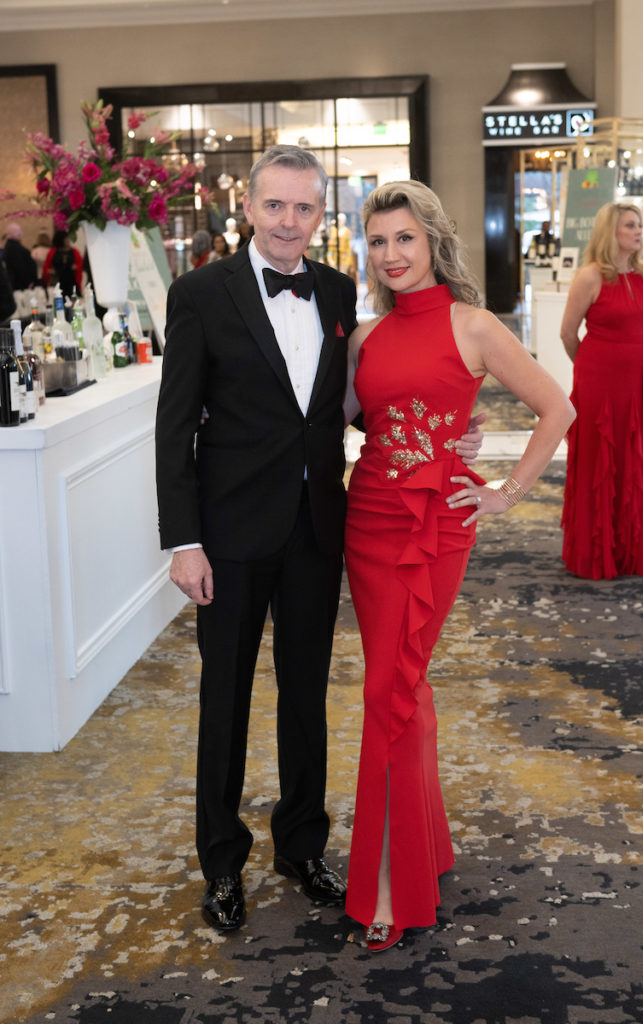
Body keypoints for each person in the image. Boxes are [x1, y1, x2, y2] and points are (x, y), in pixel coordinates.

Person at [156, 146, 483, 935]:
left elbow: (354, 403)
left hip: (317, 530)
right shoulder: (199, 293)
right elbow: (174, 430)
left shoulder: (339, 291)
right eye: (275, 206)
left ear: (319, 214)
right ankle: (223, 862)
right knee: (224, 701)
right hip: (229, 534)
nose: (288, 223)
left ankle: (300, 846)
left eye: (305, 209)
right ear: (250, 208)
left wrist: (443, 433)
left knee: (307, 695)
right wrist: (183, 541)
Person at [342, 180, 575, 952]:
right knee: (401, 686)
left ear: (433, 241)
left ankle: (387, 882)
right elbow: (346, 419)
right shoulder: (363, 336)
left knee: (389, 689)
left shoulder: (473, 326)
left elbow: (557, 407)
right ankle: (425, 848)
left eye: (404, 239)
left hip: (438, 526)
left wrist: (506, 491)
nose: (390, 255)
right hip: (368, 520)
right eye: (377, 242)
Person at [559, 202, 643, 580]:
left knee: (633, 458)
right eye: (631, 225)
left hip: (636, 378)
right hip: (599, 378)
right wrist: (589, 370)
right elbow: (568, 334)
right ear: (610, 231)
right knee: (598, 459)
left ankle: (630, 549)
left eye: (641, 226)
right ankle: (597, 552)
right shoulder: (590, 277)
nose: (640, 232)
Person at [42, 230, 83, 296]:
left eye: (68, 238)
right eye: (66, 239)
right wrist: (49, 272)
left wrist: (76, 267)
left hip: (71, 281)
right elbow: (46, 268)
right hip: (57, 281)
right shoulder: (52, 252)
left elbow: (80, 267)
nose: (68, 240)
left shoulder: (75, 252)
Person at [2, 223, 38, 291]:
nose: (21, 233)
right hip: (21, 285)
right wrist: (28, 281)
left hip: (20, 284)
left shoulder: (12, 246)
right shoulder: (13, 248)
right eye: (19, 231)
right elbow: (19, 266)